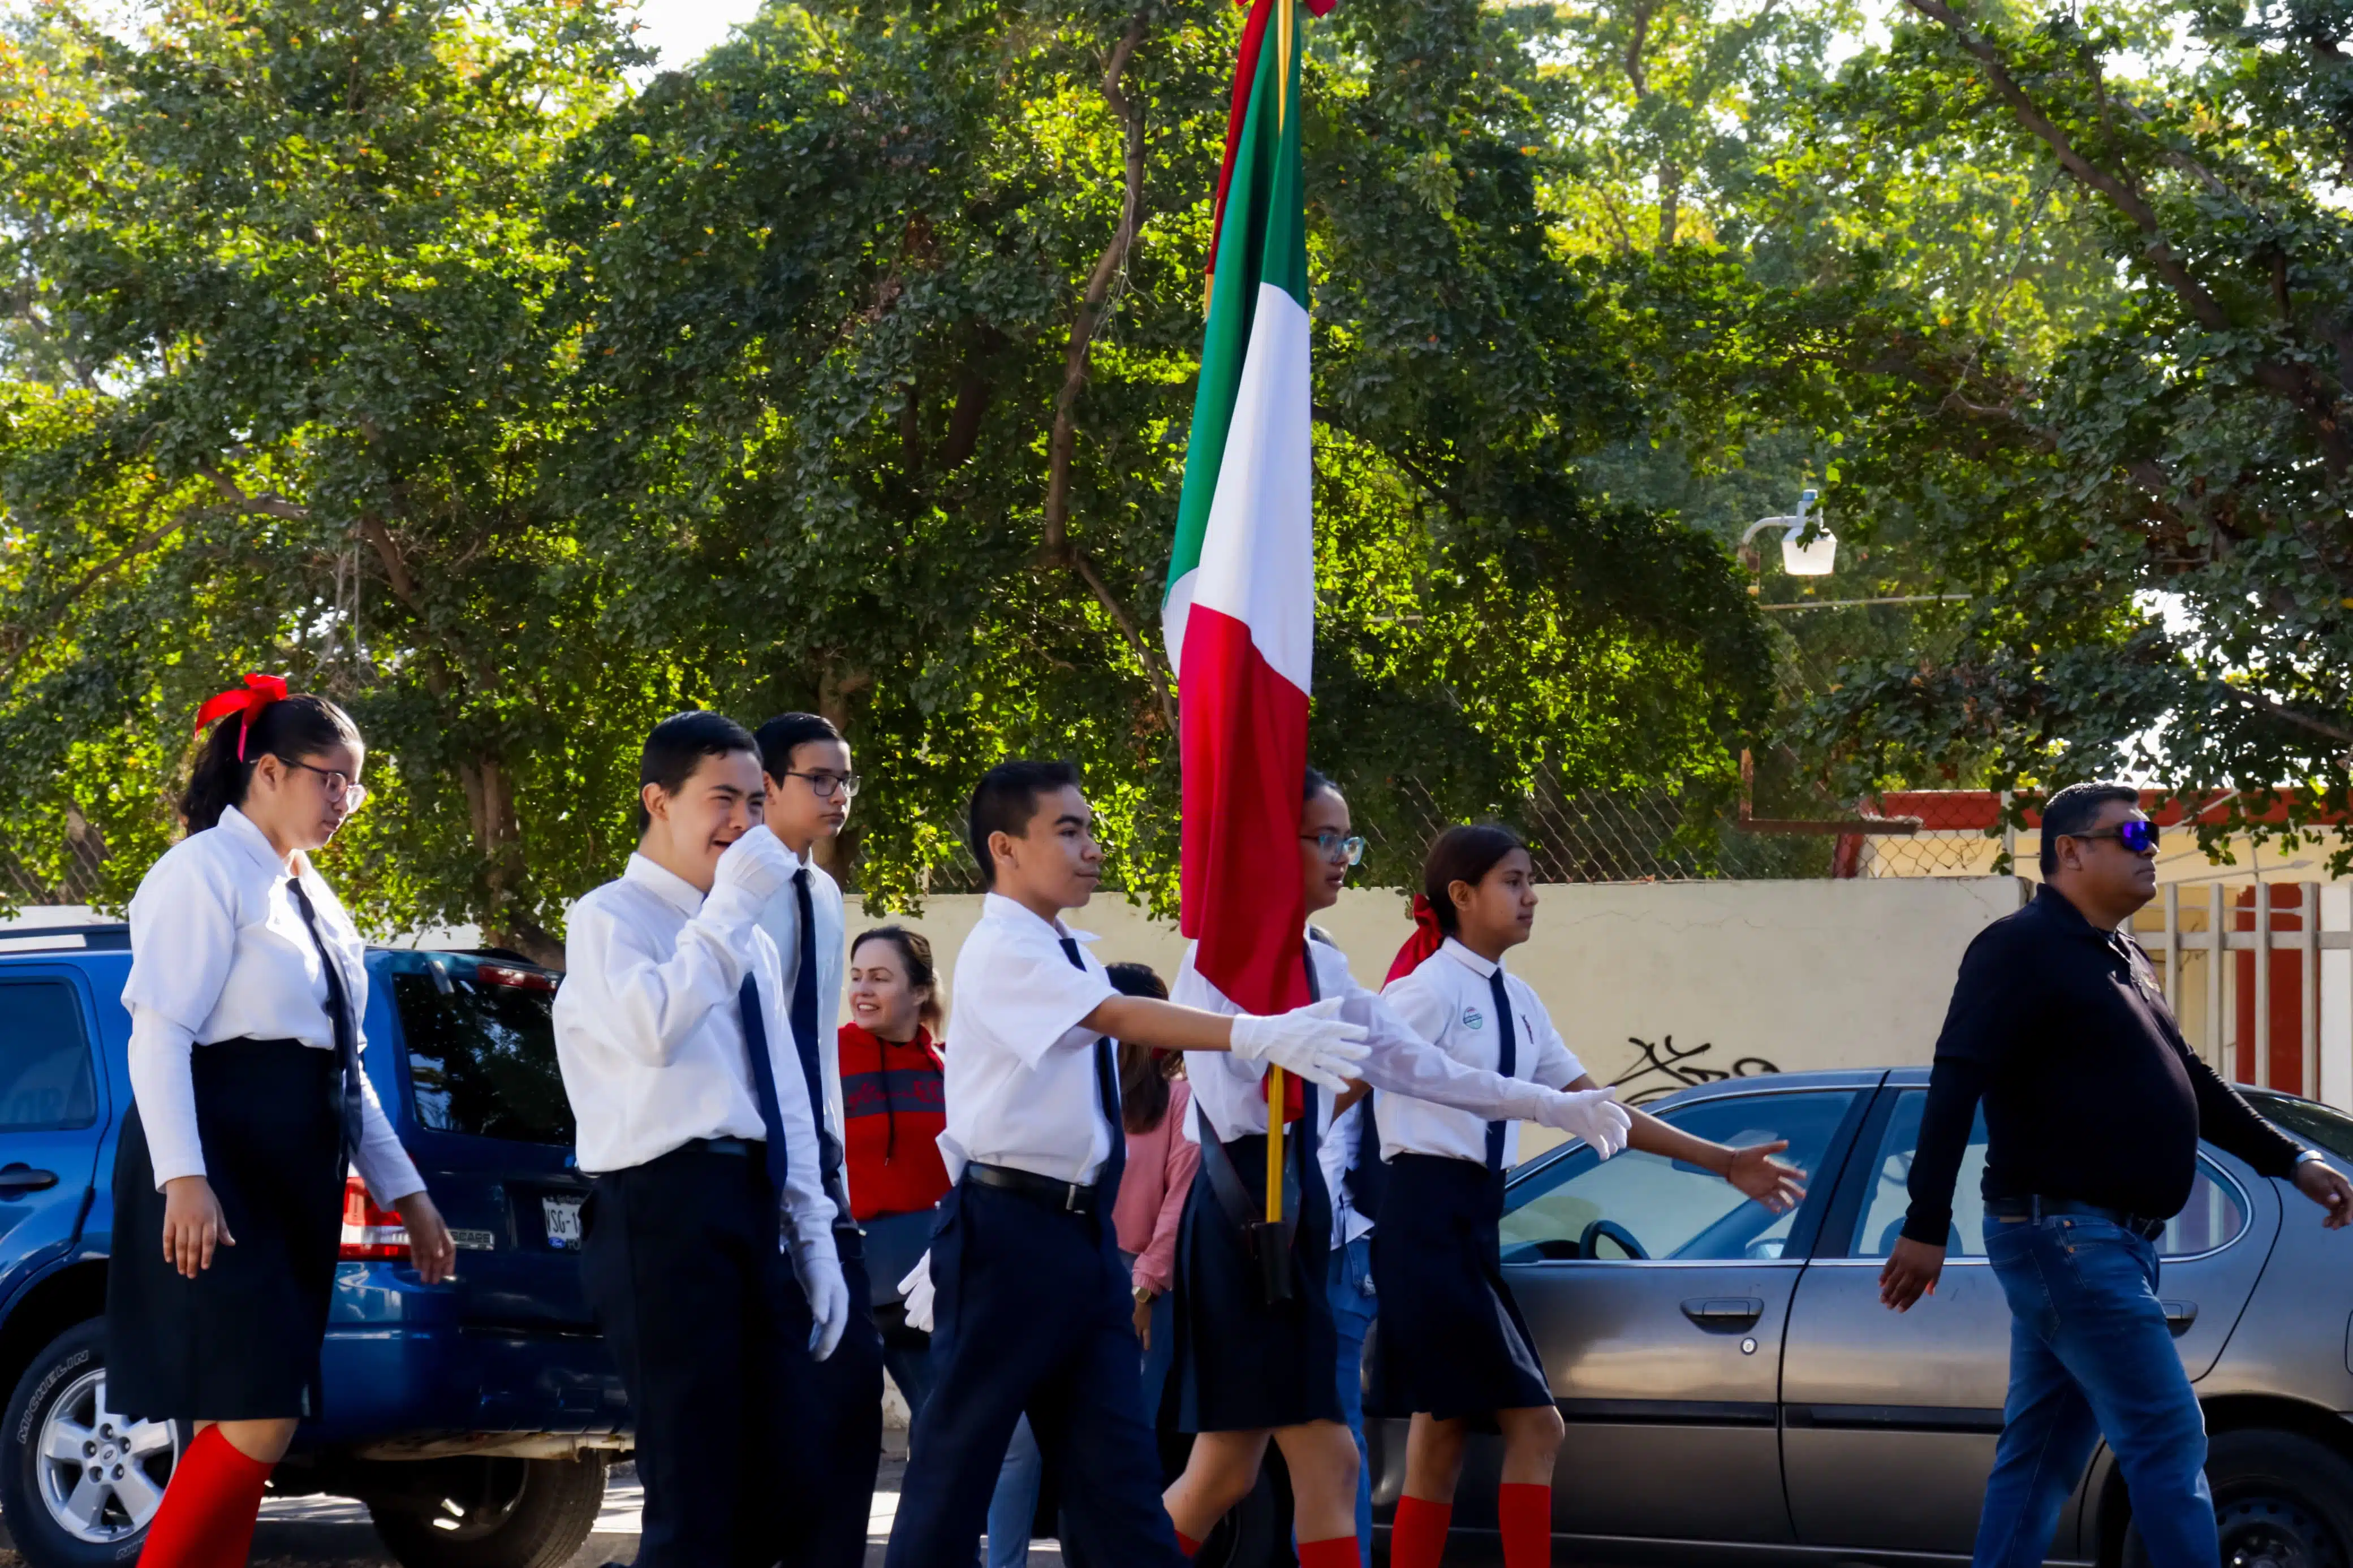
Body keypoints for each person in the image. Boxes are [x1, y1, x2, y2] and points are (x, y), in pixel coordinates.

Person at [884, 759, 1373, 1568]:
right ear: (1005, 848)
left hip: (1082, 1239)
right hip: (1006, 1230)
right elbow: (1115, 1013)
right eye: (1067, 831)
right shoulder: (1004, 948)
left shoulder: (1068, 947)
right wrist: (1250, 1032)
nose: (1091, 847)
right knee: (956, 1468)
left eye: (1090, 827)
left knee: (1119, 1475)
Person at [1158, 774, 1643, 1568]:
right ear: (1271, 847)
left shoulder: (1323, 961)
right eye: (1326, 838)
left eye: (1348, 839)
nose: (1344, 856)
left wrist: (1551, 1107)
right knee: (1306, 1463)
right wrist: (1265, 1038)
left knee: (1229, 1470)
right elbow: (1224, 1101)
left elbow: (1418, 1066)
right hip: (1254, 1209)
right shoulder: (1224, 953)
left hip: (1298, 1210)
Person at [1880, 783, 2353, 1568]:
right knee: (2170, 1437)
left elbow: (2192, 1080)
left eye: (2154, 832)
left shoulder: (2124, 955)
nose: (2151, 846)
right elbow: (1957, 1076)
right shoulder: (2017, 947)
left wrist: (2292, 1159)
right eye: (2131, 832)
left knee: (2041, 1457)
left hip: (2114, 1243)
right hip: (2066, 1237)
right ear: (2070, 850)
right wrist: (1925, 1221)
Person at [1377, 822, 1808, 1568]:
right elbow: (1372, 1085)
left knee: (1441, 1436)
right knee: (1537, 1428)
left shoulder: (1521, 1000)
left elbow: (1598, 1107)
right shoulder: (1423, 992)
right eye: (1514, 881)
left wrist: (1722, 1160)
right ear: (1461, 895)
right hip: (1420, 1220)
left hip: (1473, 1220)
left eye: (1530, 879)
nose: (1531, 895)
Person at [107, 676, 458, 1568]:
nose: (346, 800)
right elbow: (160, 1033)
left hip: (293, 1174)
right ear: (265, 770)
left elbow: (348, 1069)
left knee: (256, 1413)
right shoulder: (200, 871)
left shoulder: (317, 897)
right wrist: (184, 1178)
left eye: (356, 783)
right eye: (329, 778)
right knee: (262, 1409)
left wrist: (407, 1193)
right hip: (217, 1163)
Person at [552, 710, 850, 1568]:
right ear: (659, 801)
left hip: (749, 1202)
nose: (743, 824)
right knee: (695, 1486)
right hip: (660, 1208)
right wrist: (728, 915)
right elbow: (654, 1027)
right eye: (722, 799)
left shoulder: (745, 935)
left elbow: (782, 1091)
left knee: (790, 1475)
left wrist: (814, 1231)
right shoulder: (611, 916)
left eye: (756, 803)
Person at [986, 962, 1195, 1568]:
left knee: (1111, 1447)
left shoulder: (1178, 1098)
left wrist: (1145, 1285)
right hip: (1060, 1265)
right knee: (1020, 1444)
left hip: (1139, 1286)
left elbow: (1179, 1198)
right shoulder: (1071, 1085)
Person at [750, 711, 888, 1568]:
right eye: (820, 779)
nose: (838, 796)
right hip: (754, 1176)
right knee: (773, 1420)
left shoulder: (825, 893)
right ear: (767, 784)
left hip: (824, 1180)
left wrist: (830, 1165)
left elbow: (815, 1048)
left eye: (846, 779)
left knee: (849, 1404)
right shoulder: (734, 884)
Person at [841, 925, 954, 1420]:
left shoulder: (948, 1067)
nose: (862, 990)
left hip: (930, 1280)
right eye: (857, 976)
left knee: (942, 1421)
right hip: (845, 1277)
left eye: (880, 978)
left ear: (921, 990)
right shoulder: (827, 1060)